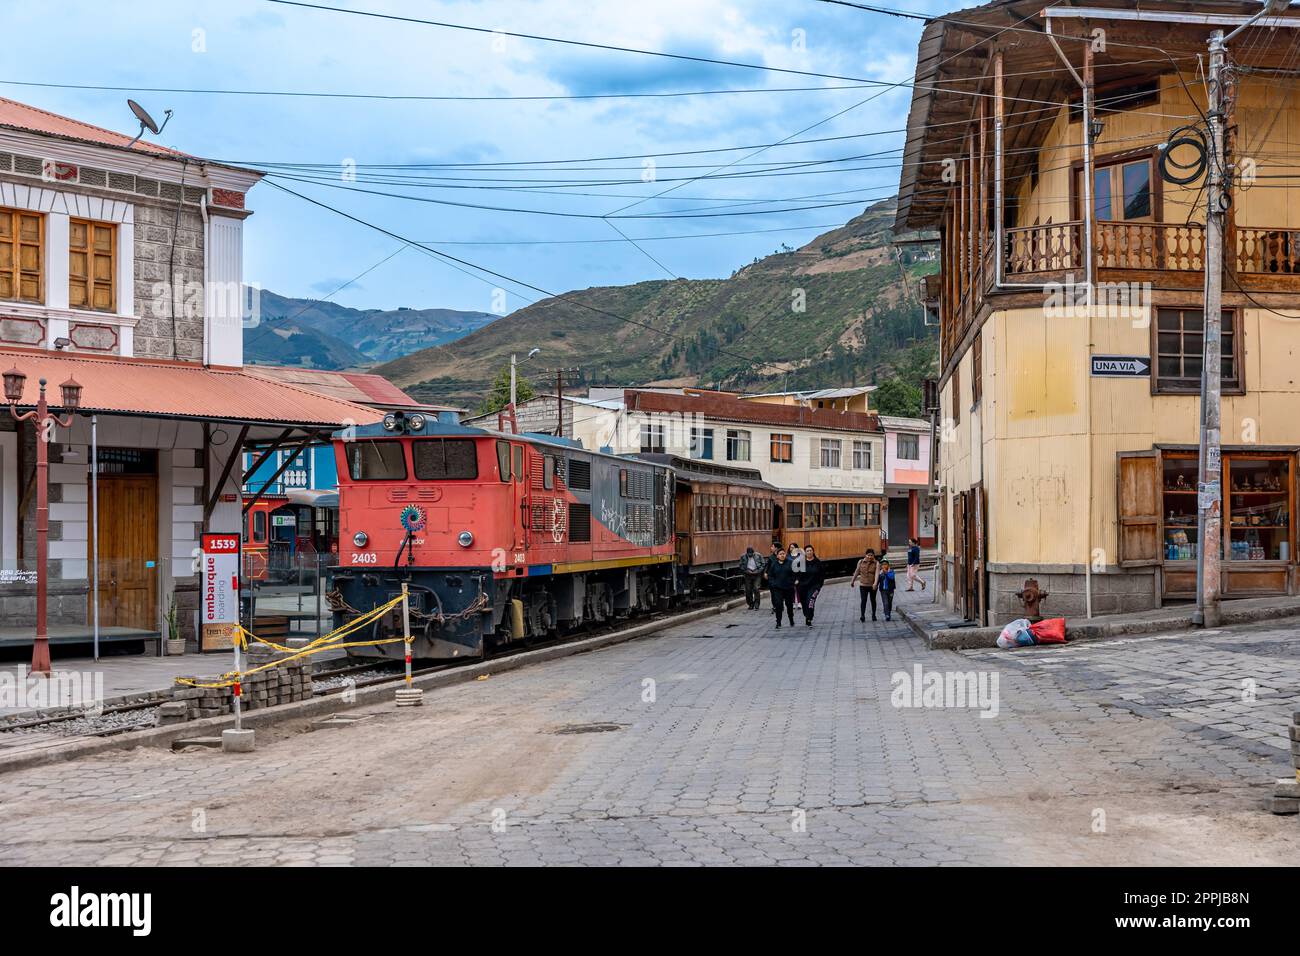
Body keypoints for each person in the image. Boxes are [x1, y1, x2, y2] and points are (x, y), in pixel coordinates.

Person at [766, 547, 795, 629]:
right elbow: (770, 575)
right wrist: (773, 583)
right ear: (777, 556)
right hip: (778, 589)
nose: (782, 555)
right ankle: (778, 622)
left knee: (789, 605)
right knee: (778, 605)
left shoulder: (790, 563)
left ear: (786, 554)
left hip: (788, 588)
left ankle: (791, 619)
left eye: (783, 554)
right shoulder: (774, 564)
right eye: (780, 554)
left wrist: (792, 582)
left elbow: (795, 574)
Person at [799, 544, 826, 626]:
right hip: (803, 587)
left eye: (810, 550)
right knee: (804, 603)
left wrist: (819, 586)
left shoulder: (818, 563)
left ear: (813, 551)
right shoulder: (801, 563)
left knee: (810, 601)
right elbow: (797, 574)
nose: (809, 552)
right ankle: (806, 614)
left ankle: (809, 618)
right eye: (807, 551)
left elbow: (822, 575)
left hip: (814, 587)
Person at [850, 548, 879, 622]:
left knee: (873, 600)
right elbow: (857, 571)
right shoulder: (861, 562)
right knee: (863, 600)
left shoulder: (876, 563)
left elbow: (876, 574)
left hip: (872, 585)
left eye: (871, 555)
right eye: (868, 555)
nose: (870, 557)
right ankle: (862, 615)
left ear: (873, 555)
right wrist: (852, 581)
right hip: (863, 585)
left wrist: (875, 583)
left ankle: (873, 615)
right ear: (865, 555)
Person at [788, 541, 805, 609]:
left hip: (798, 575)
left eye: (793, 547)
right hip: (790, 576)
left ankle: (799, 602)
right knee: (791, 589)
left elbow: (802, 568)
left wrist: (798, 578)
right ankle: (793, 602)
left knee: (798, 589)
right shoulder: (787, 556)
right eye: (790, 547)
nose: (791, 549)